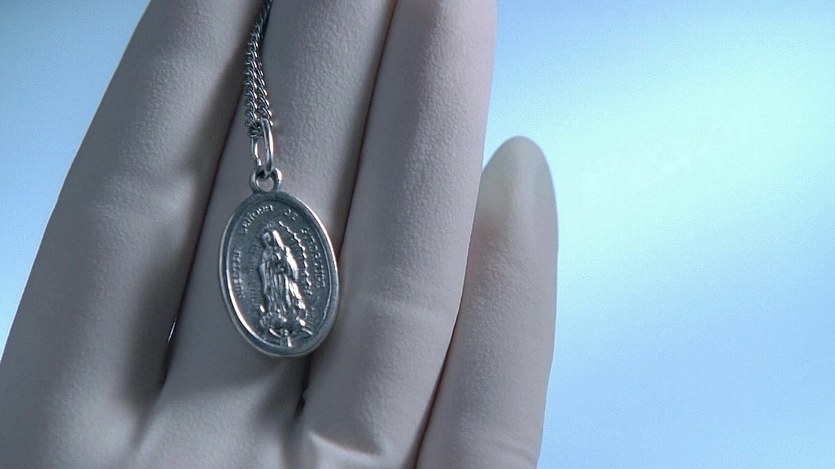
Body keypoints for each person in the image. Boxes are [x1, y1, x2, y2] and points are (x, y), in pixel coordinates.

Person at [0, 1, 557, 467]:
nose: (273, 245)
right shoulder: (270, 252)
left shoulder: (281, 255)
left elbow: (286, 268)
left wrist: (281, 264)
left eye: (272, 243)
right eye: (271, 243)